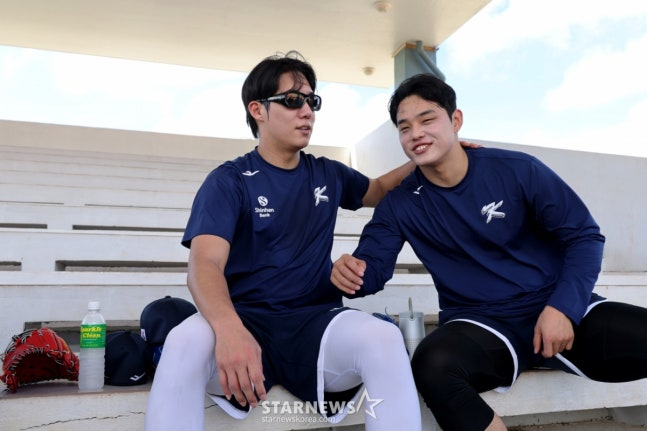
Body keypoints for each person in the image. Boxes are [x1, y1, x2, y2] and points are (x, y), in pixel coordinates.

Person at [331, 73, 647, 431]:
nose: (415, 133)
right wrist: (349, 273)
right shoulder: (400, 204)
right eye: (404, 128)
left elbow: (584, 236)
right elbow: (370, 272)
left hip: (554, 307)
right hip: (482, 325)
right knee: (433, 365)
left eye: (427, 119)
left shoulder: (517, 169)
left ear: (456, 120)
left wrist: (563, 307)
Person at [144, 51, 423, 431]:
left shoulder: (327, 173)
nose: (307, 111)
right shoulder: (229, 180)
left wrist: (432, 153)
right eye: (292, 100)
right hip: (244, 320)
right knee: (182, 342)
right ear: (257, 109)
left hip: (315, 323)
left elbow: (378, 189)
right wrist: (229, 330)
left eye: (312, 101)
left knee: (385, 338)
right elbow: (204, 265)